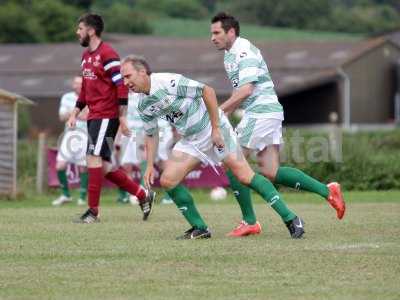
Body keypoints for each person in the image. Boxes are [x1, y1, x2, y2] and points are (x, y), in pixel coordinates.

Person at [121, 55, 304, 240]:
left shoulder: (167, 81)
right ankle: (200, 228)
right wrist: (150, 164)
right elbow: (151, 134)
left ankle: (291, 219)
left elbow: (207, 91)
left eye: (128, 76)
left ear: (142, 72)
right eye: (123, 78)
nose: (125, 82)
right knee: (168, 180)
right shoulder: (143, 103)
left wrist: (216, 129)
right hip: (191, 139)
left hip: (213, 127)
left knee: (245, 176)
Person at [210, 12, 346, 237]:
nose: (212, 38)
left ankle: (250, 222)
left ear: (231, 32)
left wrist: (218, 111)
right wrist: (224, 116)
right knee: (271, 171)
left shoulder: (244, 51)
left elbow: (246, 90)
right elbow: (239, 91)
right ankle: (328, 190)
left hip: (260, 113)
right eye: (211, 33)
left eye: (217, 33)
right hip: (267, 113)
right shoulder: (229, 55)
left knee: (232, 163)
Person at [67, 13, 155, 223]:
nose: (77, 33)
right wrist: (75, 111)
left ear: (91, 30)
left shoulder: (107, 54)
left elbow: (121, 85)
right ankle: (143, 195)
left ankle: (93, 212)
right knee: (104, 167)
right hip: (94, 118)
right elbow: (86, 91)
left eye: (80, 29)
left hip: (106, 117)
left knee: (92, 159)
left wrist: (122, 117)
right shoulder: (86, 57)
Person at [119, 92, 174, 205]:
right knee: (137, 161)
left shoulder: (157, 93)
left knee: (162, 161)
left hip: (161, 131)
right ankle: (142, 192)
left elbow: (172, 112)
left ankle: (168, 194)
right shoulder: (128, 96)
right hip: (139, 132)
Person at [52, 76, 88, 207]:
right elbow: (62, 116)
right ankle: (65, 195)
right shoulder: (66, 97)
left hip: (86, 135)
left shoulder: (90, 96)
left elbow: (88, 116)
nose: (78, 85)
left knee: (83, 166)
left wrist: (71, 113)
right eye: (76, 83)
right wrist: (78, 113)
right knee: (60, 166)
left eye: (80, 83)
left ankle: (82, 197)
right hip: (69, 134)